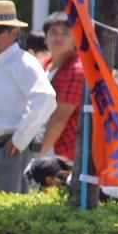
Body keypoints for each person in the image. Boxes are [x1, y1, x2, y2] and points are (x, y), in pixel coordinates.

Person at [0, 0, 56, 194]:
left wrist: (20, 138)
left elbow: (45, 98)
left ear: (15, 33)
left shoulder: (22, 62)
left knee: (6, 216)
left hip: (10, 152)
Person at [39, 12, 85, 162]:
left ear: (75, 40)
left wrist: (39, 154)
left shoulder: (76, 70)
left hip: (62, 152)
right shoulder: (44, 65)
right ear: (45, 39)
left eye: (65, 33)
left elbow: (61, 117)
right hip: (41, 142)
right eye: (53, 33)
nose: (58, 38)